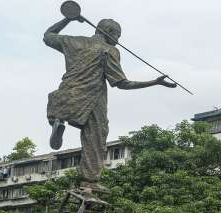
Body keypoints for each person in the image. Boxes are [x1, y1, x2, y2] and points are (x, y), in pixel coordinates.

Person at [43, 11, 176, 190]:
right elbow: (122, 83)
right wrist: (154, 82)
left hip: (66, 97)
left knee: (74, 117)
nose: (118, 41)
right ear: (107, 32)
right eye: (117, 36)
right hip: (92, 98)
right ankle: (89, 182)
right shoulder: (109, 51)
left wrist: (68, 18)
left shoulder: (74, 41)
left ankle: (57, 119)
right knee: (96, 138)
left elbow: (48, 36)